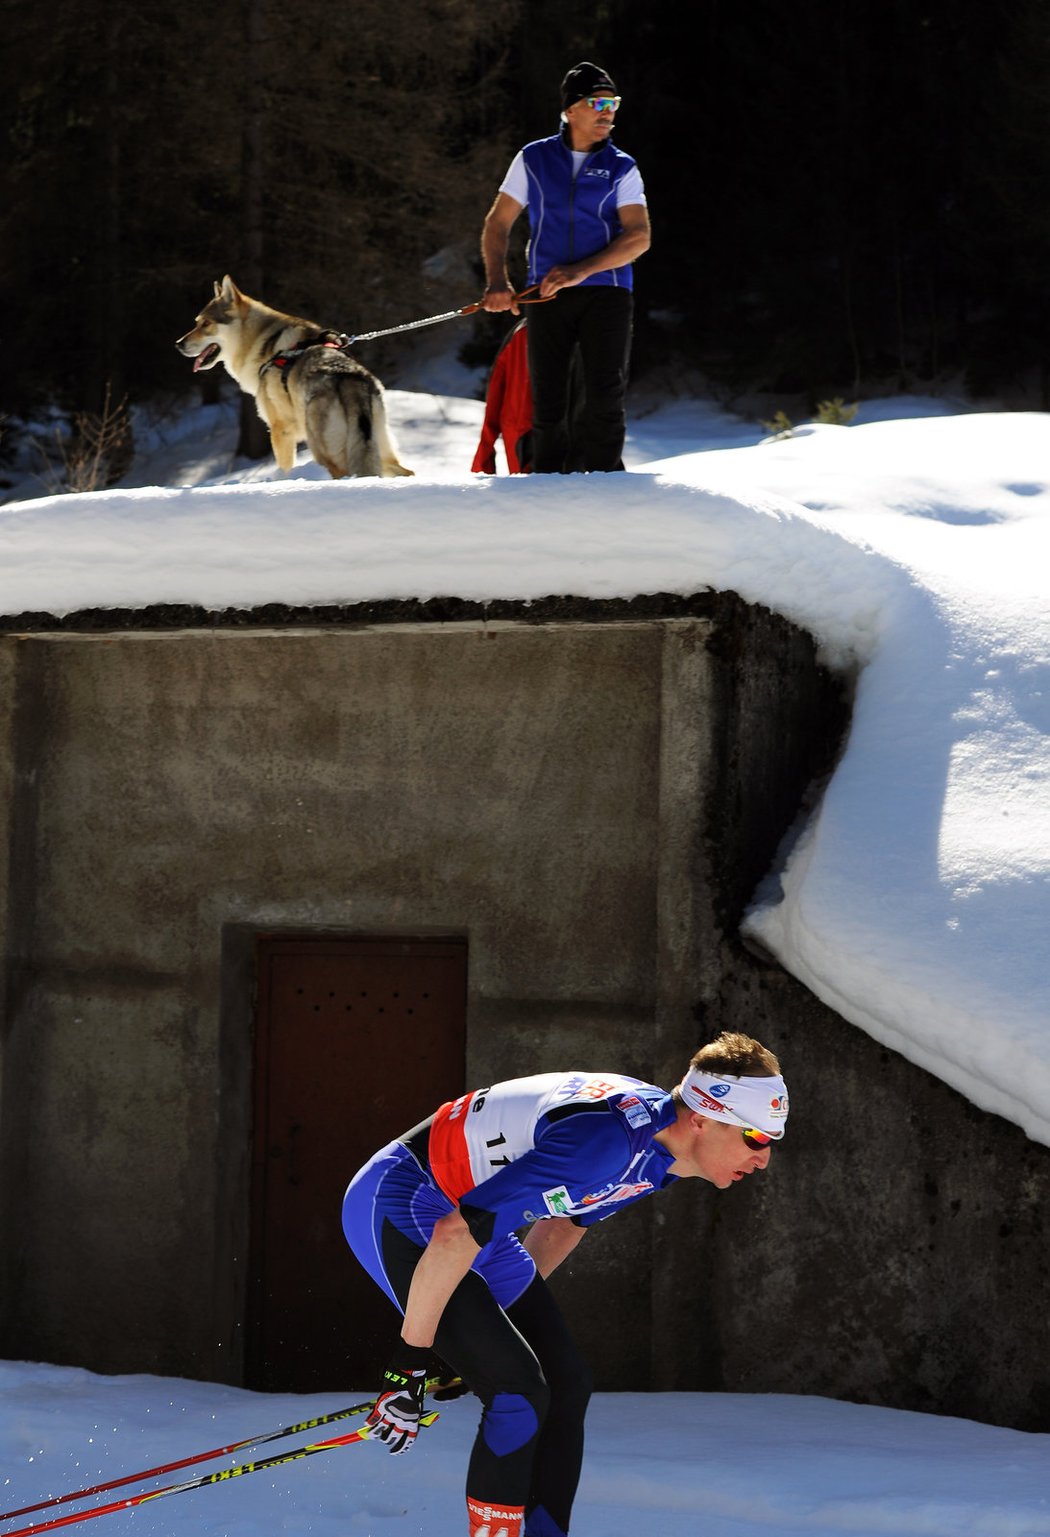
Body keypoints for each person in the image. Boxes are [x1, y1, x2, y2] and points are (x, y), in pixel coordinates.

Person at [341, 1032, 789, 1537]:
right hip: (406, 1201)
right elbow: (454, 1235)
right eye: (755, 1138)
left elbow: (565, 1220)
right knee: (518, 1391)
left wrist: (491, 1339)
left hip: (467, 1221)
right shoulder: (606, 1144)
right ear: (702, 1119)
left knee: (566, 1383)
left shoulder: (659, 1152)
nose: (764, 1158)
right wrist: (408, 1368)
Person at [479, 60, 651, 475]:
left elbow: (638, 236)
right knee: (548, 401)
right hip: (546, 293)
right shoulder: (533, 159)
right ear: (570, 109)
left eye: (613, 103)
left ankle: (607, 485)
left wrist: (581, 270)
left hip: (607, 292)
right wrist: (498, 282)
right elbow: (498, 223)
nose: (608, 111)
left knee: (604, 398)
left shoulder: (621, 166)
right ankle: (546, 488)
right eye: (598, 102)